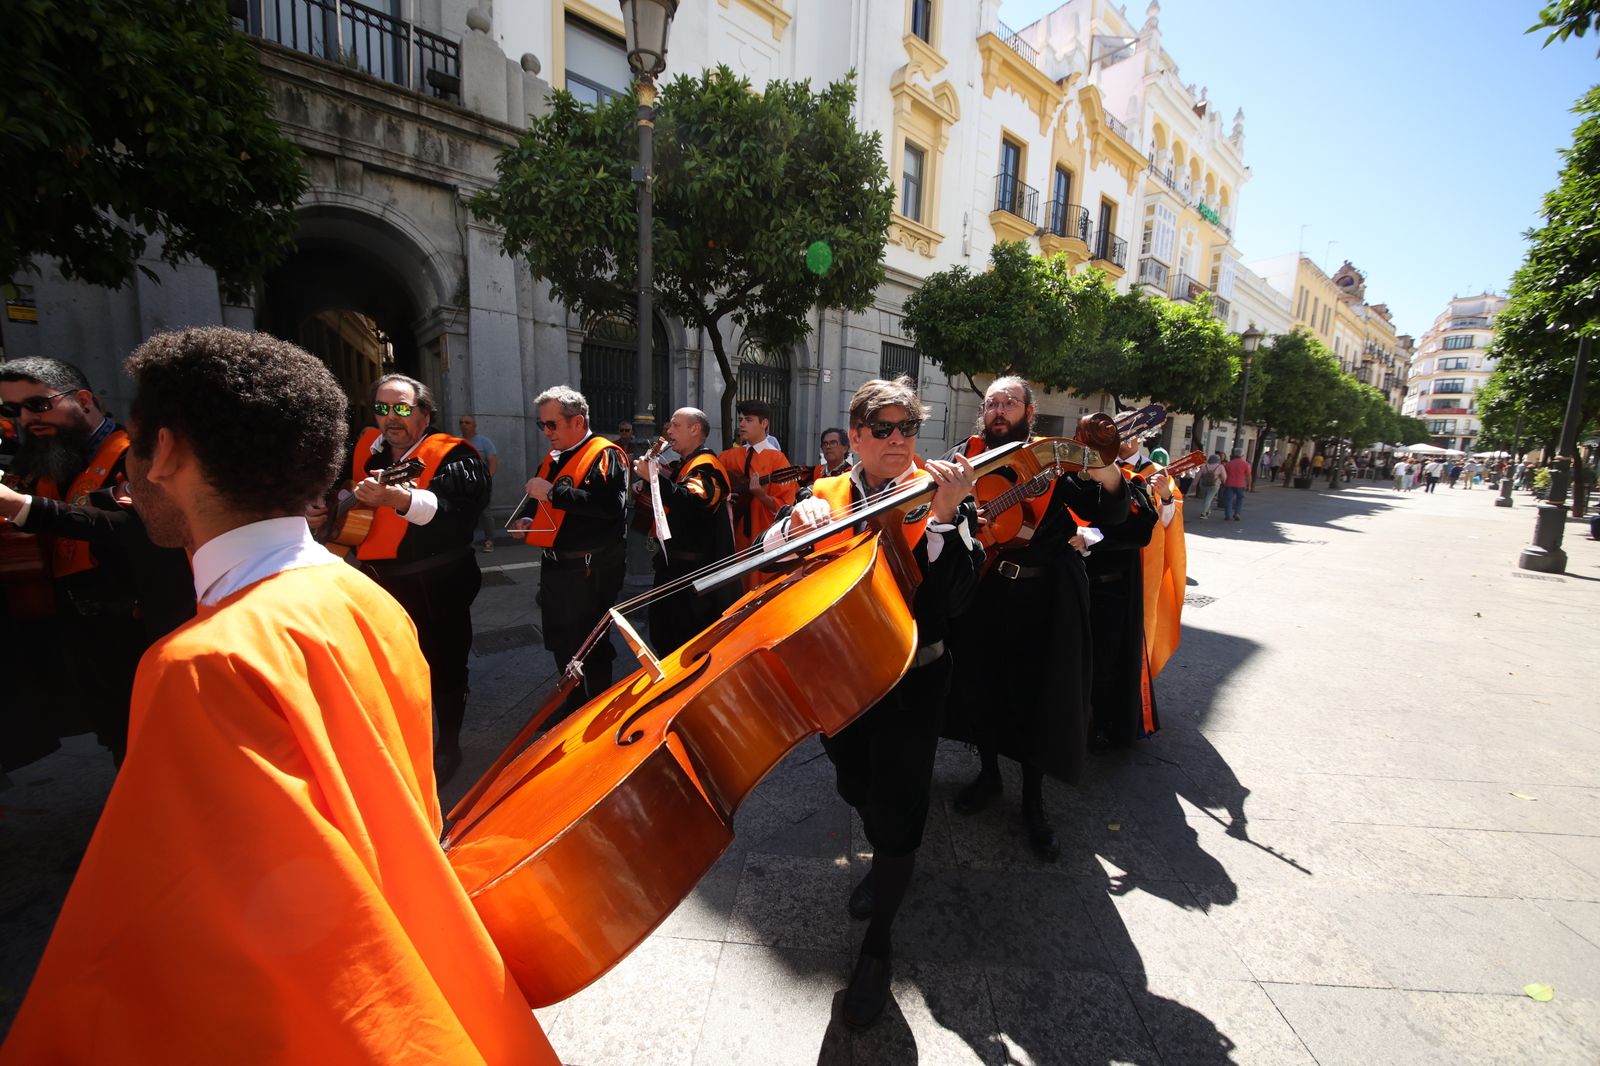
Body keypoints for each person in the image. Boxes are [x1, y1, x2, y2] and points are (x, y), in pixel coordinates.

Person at [0, 327, 559, 1063]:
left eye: (133, 445)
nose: (127, 472)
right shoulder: (360, 596)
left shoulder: (202, 662)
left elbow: (174, 945)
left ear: (164, 453)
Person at [764, 376, 981, 1030]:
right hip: (843, 682)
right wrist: (789, 529)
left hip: (914, 681)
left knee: (899, 809)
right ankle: (885, 848)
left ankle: (879, 942)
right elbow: (773, 559)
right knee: (855, 783)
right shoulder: (826, 493)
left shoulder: (941, 492)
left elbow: (954, 601)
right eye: (882, 429)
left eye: (907, 429)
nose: (897, 440)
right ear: (855, 435)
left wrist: (945, 517)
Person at [944, 377, 1128, 861]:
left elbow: (1111, 513)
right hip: (984, 590)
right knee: (981, 688)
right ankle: (987, 776)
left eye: (1009, 402)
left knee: (1035, 698)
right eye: (992, 403)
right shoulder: (968, 453)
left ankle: (1033, 802)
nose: (999, 409)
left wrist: (1109, 468)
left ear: (1030, 410)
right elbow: (940, 506)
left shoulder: (1057, 458)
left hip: (1042, 596)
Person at [309, 373, 489, 785]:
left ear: (425, 413)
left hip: (439, 580)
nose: (393, 418)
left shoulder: (453, 454)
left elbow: (461, 511)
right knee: (387, 665)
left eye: (403, 408)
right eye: (384, 408)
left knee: (444, 664)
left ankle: (448, 745)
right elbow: (330, 489)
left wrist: (401, 498)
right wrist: (320, 504)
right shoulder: (363, 449)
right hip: (377, 580)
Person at [0, 357, 179, 767]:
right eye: (14, 410)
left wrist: (24, 508)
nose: (26, 418)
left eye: (37, 405)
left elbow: (131, 526)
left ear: (83, 400)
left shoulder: (136, 453)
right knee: (115, 736)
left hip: (137, 628)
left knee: (155, 742)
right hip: (73, 630)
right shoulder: (36, 460)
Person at [510, 386, 627, 723]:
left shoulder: (606, 454)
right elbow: (541, 501)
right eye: (542, 426)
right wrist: (526, 518)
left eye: (552, 425)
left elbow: (610, 508)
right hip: (556, 565)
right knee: (561, 639)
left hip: (590, 569)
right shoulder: (554, 456)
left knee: (591, 642)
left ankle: (600, 704)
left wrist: (553, 495)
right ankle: (572, 703)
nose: (546, 433)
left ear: (577, 421)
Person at [1078, 433, 1161, 748]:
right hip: (1068, 586)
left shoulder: (1133, 481)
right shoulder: (1071, 477)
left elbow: (1141, 529)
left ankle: (1102, 724)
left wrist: (1092, 538)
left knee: (1104, 666)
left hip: (1109, 590)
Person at [633, 407, 733, 654]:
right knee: (663, 636)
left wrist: (655, 479)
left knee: (684, 644)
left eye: (675, 425)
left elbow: (695, 502)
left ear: (694, 429)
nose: (668, 431)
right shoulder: (684, 465)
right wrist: (647, 484)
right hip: (673, 570)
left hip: (692, 577)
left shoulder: (708, 466)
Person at [717, 399, 797, 565]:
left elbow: (786, 507)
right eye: (740, 420)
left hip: (763, 534)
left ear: (764, 423)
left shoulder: (777, 459)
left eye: (749, 420)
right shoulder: (730, 456)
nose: (742, 425)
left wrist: (762, 496)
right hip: (734, 534)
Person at [458, 414, 499, 551]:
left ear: (474, 425)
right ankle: (465, 541)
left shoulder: (484, 442)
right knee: (463, 512)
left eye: (467, 422)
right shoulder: (457, 443)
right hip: (462, 485)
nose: (464, 425)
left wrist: (487, 480)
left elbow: (493, 463)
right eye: (461, 422)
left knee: (485, 513)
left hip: (481, 483)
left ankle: (489, 541)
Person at [1221, 448, 1253, 520]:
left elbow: (1224, 474)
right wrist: (1249, 485)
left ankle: (1228, 515)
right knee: (1240, 499)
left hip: (1229, 484)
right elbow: (1248, 475)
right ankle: (1237, 513)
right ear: (1242, 455)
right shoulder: (1245, 464)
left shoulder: (1229, 464)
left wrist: (1223, 482)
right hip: (1241, 484)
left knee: (1228, 500)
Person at [1196, 450, 1226, 518]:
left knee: (1206, 498)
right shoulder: (1220, 467)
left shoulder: (1204, 466)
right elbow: (1224, 477)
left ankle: (1207, 510)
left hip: (1203, 484)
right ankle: (1204, 513)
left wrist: (1194, 484)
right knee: (1209, 498)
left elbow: (1198, 476)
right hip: (1214, 484)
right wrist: (1224, 483)